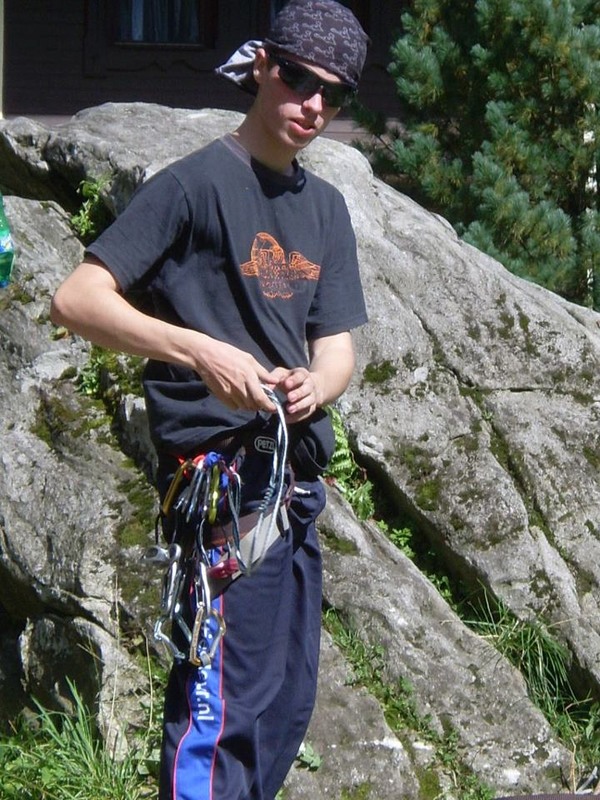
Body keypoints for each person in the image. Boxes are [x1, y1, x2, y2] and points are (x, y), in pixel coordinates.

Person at [50, 1, 369, 797]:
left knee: (282, 710)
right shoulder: (192, 185)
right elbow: (78, 299)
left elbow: (336, 345)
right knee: (220, 717)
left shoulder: (326, 210)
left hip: (292, 492)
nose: (313, 104)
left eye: (333, 93)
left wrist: (317, 383)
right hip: (222, 494)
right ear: (262, 65)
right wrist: (196, 349)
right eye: (297, 78)